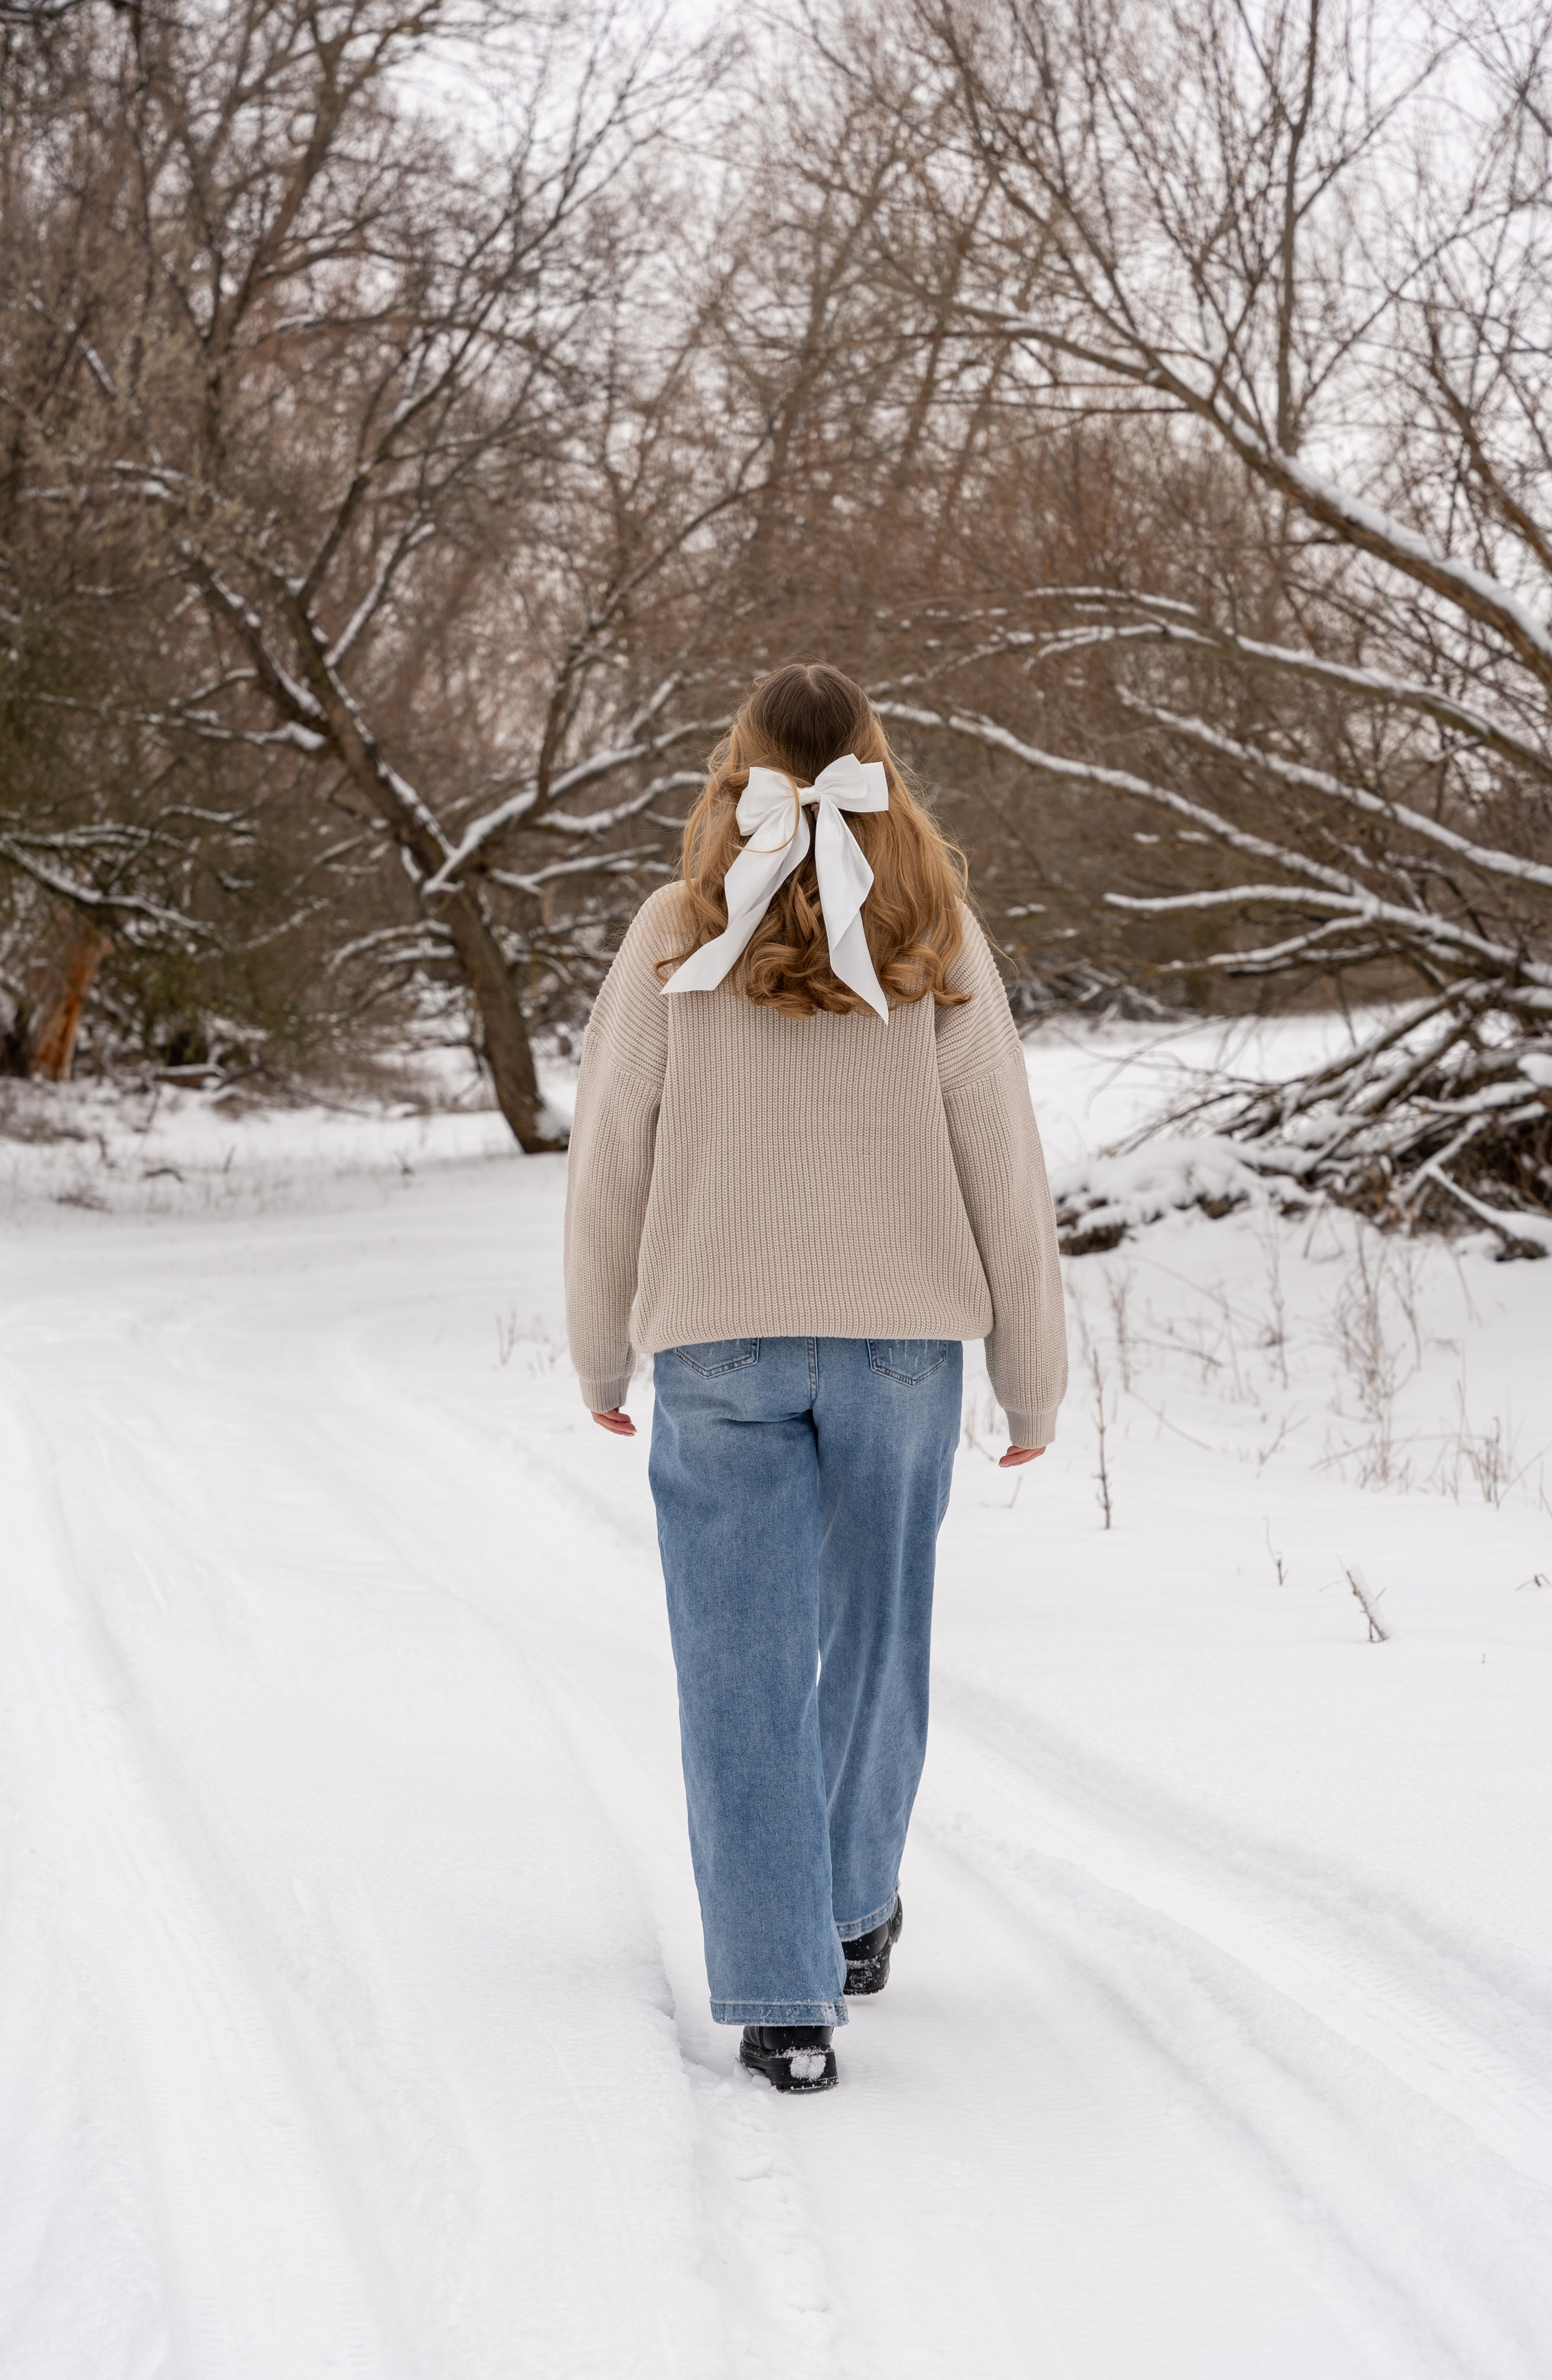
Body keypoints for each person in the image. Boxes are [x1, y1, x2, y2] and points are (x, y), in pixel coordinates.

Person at [563, 663, 1066, 2092]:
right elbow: (1005, 1172)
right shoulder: (936, 932)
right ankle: (848, 1915)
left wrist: (601, 1345)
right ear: (878, 769)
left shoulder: (674, 930)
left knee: (737, 1671)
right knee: (872, 1637)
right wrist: (1032, 1378)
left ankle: (784, 2003)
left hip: (715, 1341)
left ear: (735, 772)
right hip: (904, 1347)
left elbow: (610, 1154)